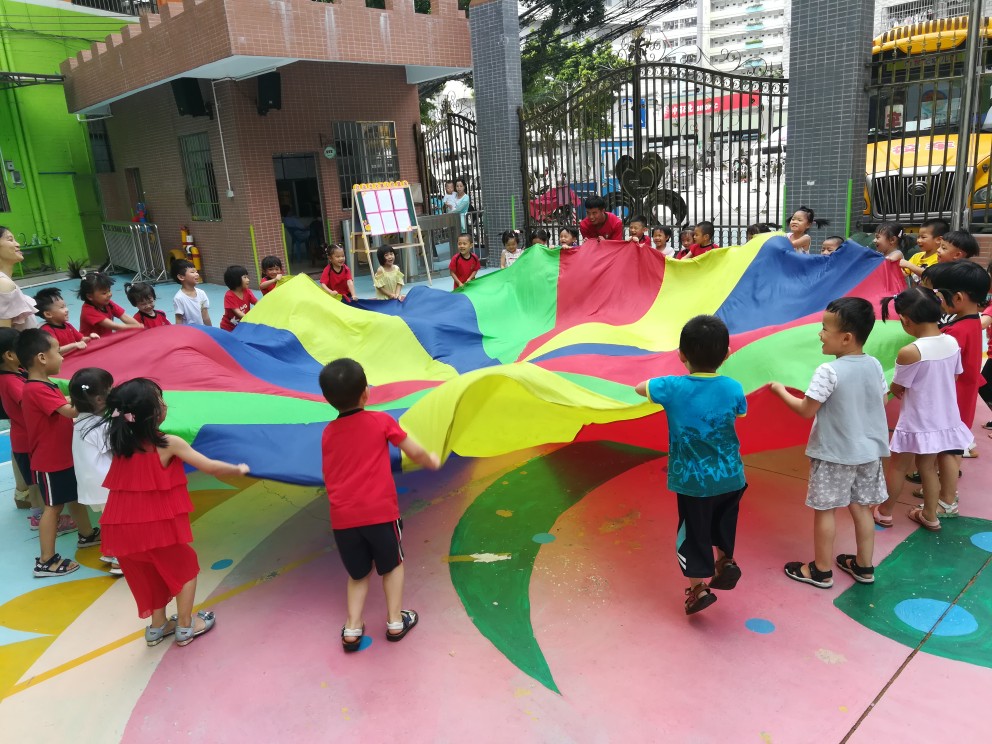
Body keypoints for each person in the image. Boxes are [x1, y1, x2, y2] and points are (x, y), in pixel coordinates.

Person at [101, 378, 248, 646]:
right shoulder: (168, 443)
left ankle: (157, 627)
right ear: (153, 413)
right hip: (153, 528)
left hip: (120, 529)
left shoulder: (121, 443)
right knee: (186, 568)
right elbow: (210, 467)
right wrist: (238, 469)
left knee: (149, 574)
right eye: (160, 400)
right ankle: (185, 625)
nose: (165, 404)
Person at [318, 358, 440, 650]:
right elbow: (412, 450)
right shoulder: (381, 421)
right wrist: (430, 460)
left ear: (328, 400)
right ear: (366, 392)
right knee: (392, 566)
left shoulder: (328, 432)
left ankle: (352, 627)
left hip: (343, 519)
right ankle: (395, 621)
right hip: (380, 514)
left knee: (358, 574)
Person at [770, 298, 890, 589]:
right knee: (862, 508)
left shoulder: (829, 370)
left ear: (846, 338)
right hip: (869, 453)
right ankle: (864, 566)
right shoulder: (874, 364)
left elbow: (806, 410)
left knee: (826, 511)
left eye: (825, 328)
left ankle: (821, 570)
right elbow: (883, 400)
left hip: (834, 454)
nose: (820, 334)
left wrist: (779, 390)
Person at [633, 315, 748, 615]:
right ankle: (726, 561)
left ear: (681, 354)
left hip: (694, 482)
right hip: (731, 476)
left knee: (693, 534)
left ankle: (698, 589)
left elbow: (639, 388)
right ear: (727, 354)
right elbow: (740, 413)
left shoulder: (672, 387)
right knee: (723, 522)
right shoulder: (734, 387)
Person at [872, 288, 973, 531]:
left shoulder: (911, 352)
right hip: (943, 418)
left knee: (898, 466)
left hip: (916, 420)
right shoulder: (951, 342)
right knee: (927, 467)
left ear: (905, 320)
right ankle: (930, 515)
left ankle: (885, 512)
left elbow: (898, 387)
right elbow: (955, 375)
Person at [17, 329, 100, 578]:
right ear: (42, 358)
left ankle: (87, 534)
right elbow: (71, 411)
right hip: (50, 461)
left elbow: (62, 403)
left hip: (63, 457)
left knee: (74, 498)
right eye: (57, 351)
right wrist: (97, 396)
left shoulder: (45, 384)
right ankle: (46, 560)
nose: (62, 357)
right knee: (53, 507)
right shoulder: (36, 389)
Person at [922, 261, 991, 507]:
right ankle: (945, 493)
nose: (937, 301)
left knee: (948, 452)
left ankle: (946, 501)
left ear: (958, 298)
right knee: (953, 449)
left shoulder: (956, 333)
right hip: (964, 397)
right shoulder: (971, 324)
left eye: (939, 296)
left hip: (953, 401)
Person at [69, 367, 121, 576]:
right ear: (100, 399)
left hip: (90, 483)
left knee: (107, 518)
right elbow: (116, 448)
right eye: (111, 389)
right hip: (105, 482)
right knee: (118, 519)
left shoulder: (80, 421)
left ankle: (110, 551)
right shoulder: (99, 425)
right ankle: (119, 559)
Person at [0, 328, 51, 526]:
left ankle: (38, 514)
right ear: (10, 355)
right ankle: (40, 517)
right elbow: (33, 403)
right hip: (27, 441)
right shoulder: (11, 382)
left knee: (34, 481)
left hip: (25, 438)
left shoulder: (15, 374)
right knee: (35, 483)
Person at [36, 288, 98, 355]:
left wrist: (90, 337)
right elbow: (55, 351)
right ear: (48, 314)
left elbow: (81, 339)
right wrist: (74, 345)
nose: (67, 309)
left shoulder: (67, 325)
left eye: (65, 306)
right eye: (62, 307)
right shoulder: (46, 331)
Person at [78, 272, 141, 337]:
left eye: (109, 290)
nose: (109, 294)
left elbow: (124, 317)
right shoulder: (88, 310)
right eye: (104, 293)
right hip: (91, 342)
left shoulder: (108, 303)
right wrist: (138, 327)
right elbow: (113, 326)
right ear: (90, 296)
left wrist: (139, 326)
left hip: (105, 339)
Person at [0, 226, 38, 333]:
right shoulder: (3, 284)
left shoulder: (6, 282)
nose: (18, 244)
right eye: (10, 240)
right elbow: (5, 337)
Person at [172, 260, 211, 326]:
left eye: (196, 272)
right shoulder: (179, 298)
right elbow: (179, 320)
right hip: (188, 331)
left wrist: (211, 330)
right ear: (181, 277)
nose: (197, 274)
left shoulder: (201, 293)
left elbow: (205, 316)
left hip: (201, 330)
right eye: (192, 272)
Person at [220, 265, 258, 331]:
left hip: (242, 325)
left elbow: (257, 303)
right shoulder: (229, 295)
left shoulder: (247, 292)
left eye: (247, 277)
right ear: (236, 279)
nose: (248, 280)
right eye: (245, 277)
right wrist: (251, 320)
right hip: (229, 327)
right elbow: (238, 312)